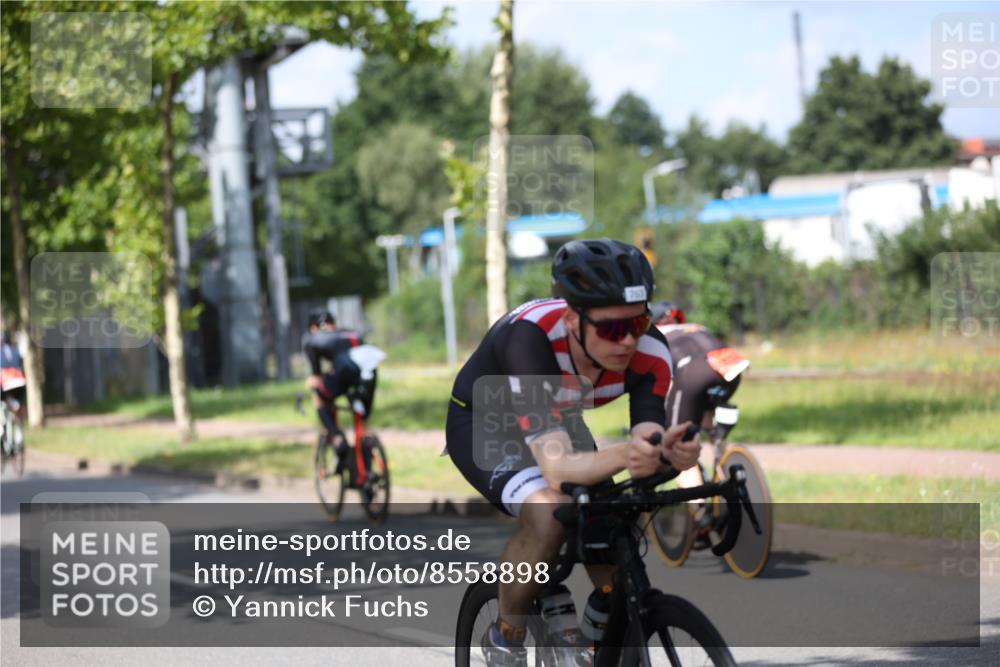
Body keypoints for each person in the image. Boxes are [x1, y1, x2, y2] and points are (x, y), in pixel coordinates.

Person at [447, 239, 700, 667]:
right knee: (549, 515)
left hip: (556, 418)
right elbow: (558, 469)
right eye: (612, 330)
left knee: (614, 526)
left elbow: (647, 437)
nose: (628, 341)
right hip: (485, 422)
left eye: (638, 324)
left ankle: (597, 631)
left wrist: (669, 453)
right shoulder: (529, 340)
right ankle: (506, 637)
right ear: (571, 319)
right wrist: (627, 453)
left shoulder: (652, 352)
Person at [651, 301, 751, 543]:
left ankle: (700, 514)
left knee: (678, 442)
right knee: (708, 420)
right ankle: (721, 459)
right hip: (730, 365)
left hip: (693, 370)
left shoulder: (653, 336)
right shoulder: (696, 327)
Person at [302, 310, 372, 470]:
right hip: (370, 368)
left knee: (320, 398)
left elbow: (316, 377)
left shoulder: (313, 340)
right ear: (334, 324)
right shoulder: (350, 333)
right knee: (361, 412)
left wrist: (313, 384)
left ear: (312, 328)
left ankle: (337, 438)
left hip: (343, 369)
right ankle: (367, 451)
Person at [1, 331, 27, 452]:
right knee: (18, 406)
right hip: (19, 381)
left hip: (5, 383)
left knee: (3, 402)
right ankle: (19, 434)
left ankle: (1, 429)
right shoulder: (16, 351)